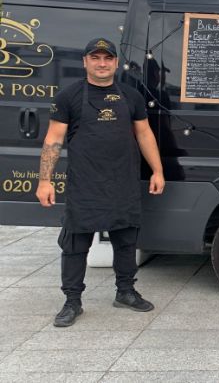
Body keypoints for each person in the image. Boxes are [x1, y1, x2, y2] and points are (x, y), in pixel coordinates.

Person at [36, 37, 165, 328]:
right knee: (75, 245)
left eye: (107, 58)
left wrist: (157, 171)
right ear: (85, 62)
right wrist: (45, 180)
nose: (102, 63)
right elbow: (53, 140)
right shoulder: (68, 96)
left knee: (125, 242)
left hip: (123, 182)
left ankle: (126, 292)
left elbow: (144, 134)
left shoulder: (131, 97)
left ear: (116, 63)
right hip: (85, 185)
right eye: (95, 58)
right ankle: (72, 301)